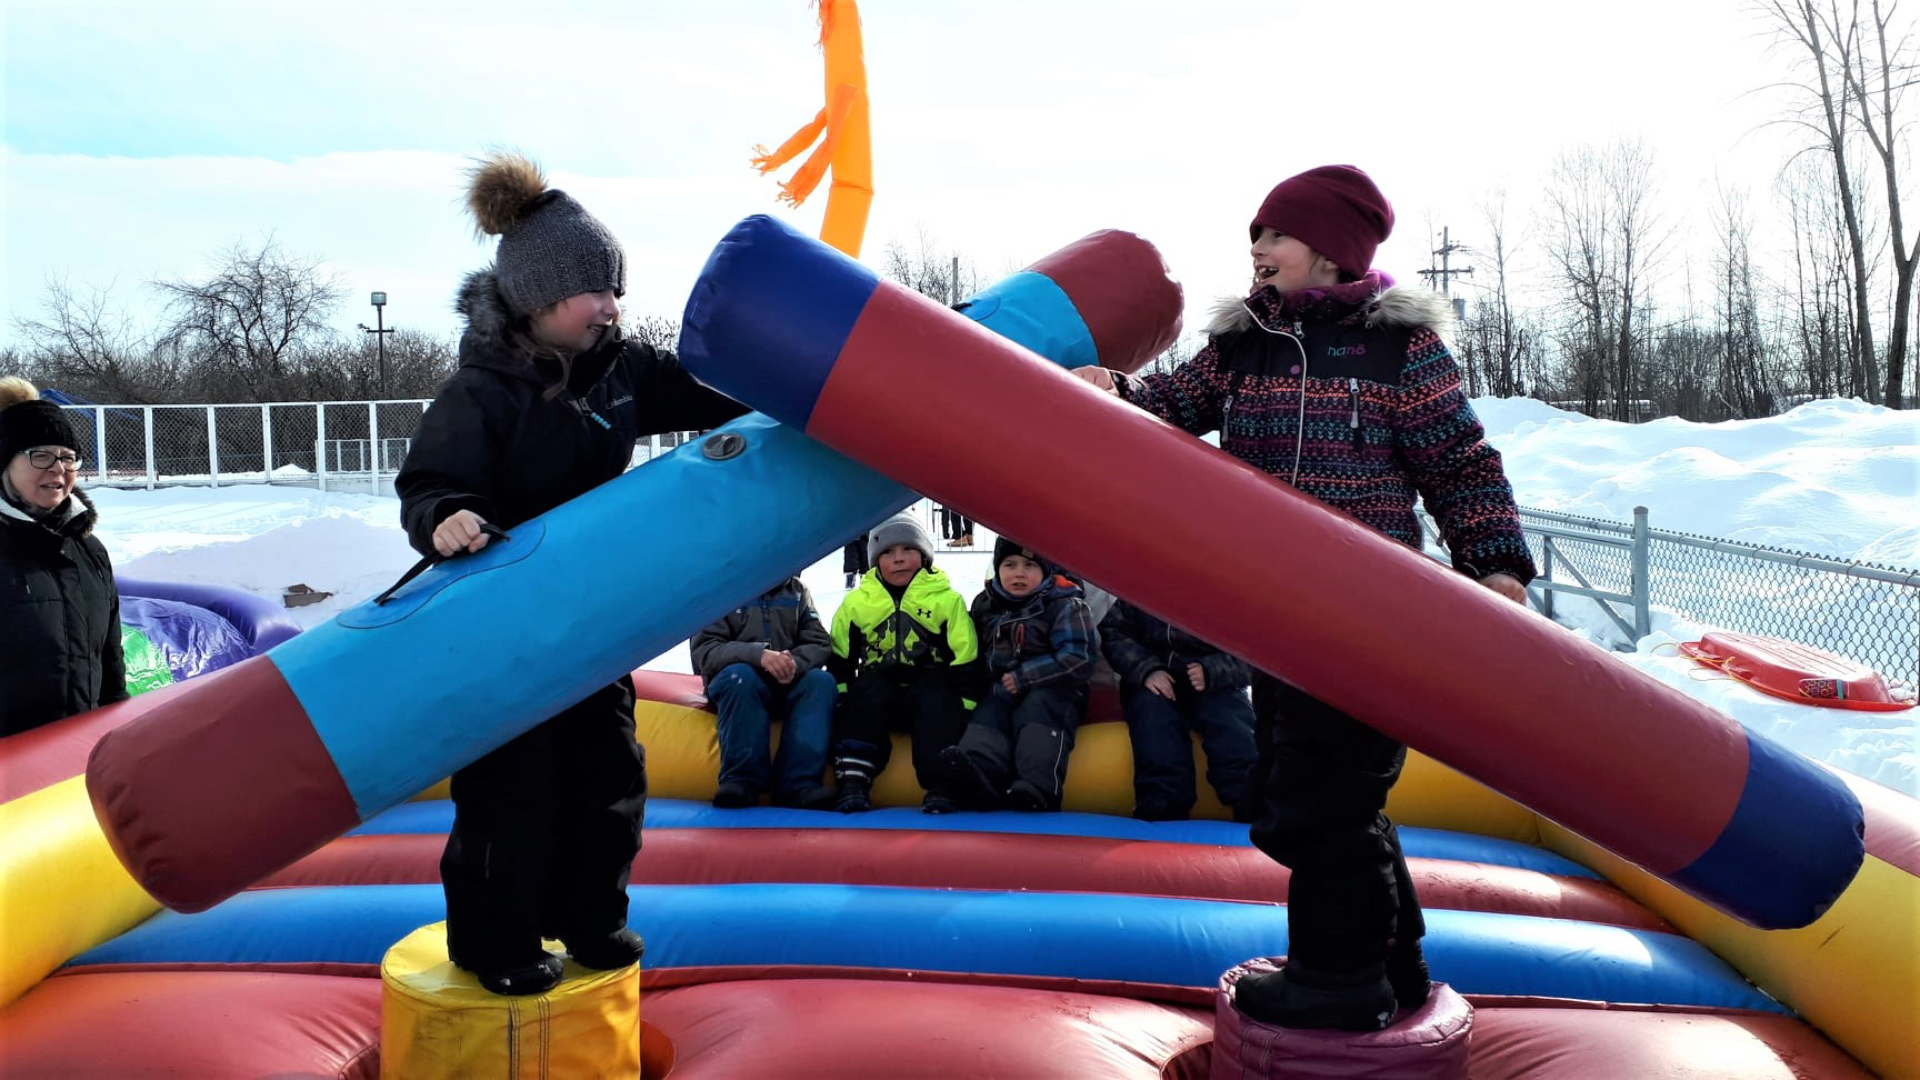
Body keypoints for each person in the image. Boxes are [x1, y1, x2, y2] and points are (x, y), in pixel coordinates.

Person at [1076, 165, 1536, 1032]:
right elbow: (1171, 405)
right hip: (1275, 618)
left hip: (1371, 615)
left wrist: (1496, 561)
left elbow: (1458, 461)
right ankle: (1392, 965)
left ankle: (1336, 981)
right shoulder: (1245, 342)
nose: (1258, 247)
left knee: (1321, 799)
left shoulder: (1397, 348)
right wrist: (1118, 389)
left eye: (1277, 234)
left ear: (1330, 250)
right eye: (1255, 233)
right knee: (1327, 793)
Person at [394, 151, 746, 996]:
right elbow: (428, 483)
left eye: (615, 288)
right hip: (504, 623)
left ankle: (590, 917)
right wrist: (446, 517)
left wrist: (800, 373)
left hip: (591, 616)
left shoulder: (622, 369)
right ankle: (496, 941)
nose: (613, 306)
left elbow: (719, 393)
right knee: (510, 785)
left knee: (610, 774)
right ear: (542, 297)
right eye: (596, 290)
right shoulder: (483, 390)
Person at [0, 379, 128, 737]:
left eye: (68, 457)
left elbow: (110, 665)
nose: (58, 468)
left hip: (77, 757)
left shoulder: (89, 550)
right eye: (40, 455)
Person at [826, 513, 977, 814]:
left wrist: (968, 703)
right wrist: (842, 695)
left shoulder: (946, 601)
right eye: (888, 552)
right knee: (865, 693)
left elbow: (965, 654)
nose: (898, 559)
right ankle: (854, 779)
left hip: (929, 686)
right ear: (875, 561)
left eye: (908, 549)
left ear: (924, 555)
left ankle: (942, 785)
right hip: (880, 686)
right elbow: (841, 656)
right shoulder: (857, 604)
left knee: (938, 696)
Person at [941, 538, 1094, 811]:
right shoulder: (986, 605)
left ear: (1046, 571)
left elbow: (1077, 659)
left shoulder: (1064, 605)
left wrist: (1026, 677)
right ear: (997, 569)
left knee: (1037, 710)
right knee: (988, 714)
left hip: (1055, 687)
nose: (1019, 573)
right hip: (1002, 688)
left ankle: (1037, 786)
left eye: (1029, 566)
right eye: (1010, 565)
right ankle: (980, 774)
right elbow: (972, 648)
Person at [1099, 597, 1256, 822]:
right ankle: (1162, 801)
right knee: (1154, 718)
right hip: (1157, 676)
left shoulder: (1229, 596)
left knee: (1231, 723)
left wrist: (1213, 671)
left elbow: (1255, 652)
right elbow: (1114, 632)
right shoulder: (1143, 591)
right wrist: (1146, 670)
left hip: (1214, 681)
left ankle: (1248, 798)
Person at [690, 574, 837, 810]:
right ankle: (741, 781)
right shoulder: (722, 590)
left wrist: (794, 663)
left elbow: (818, 641)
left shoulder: (797, 591)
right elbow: (705, 650)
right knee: (741, 678)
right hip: (737, 683)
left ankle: (799, 784)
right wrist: (758, 656)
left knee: (821, 682)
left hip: (785, 682)